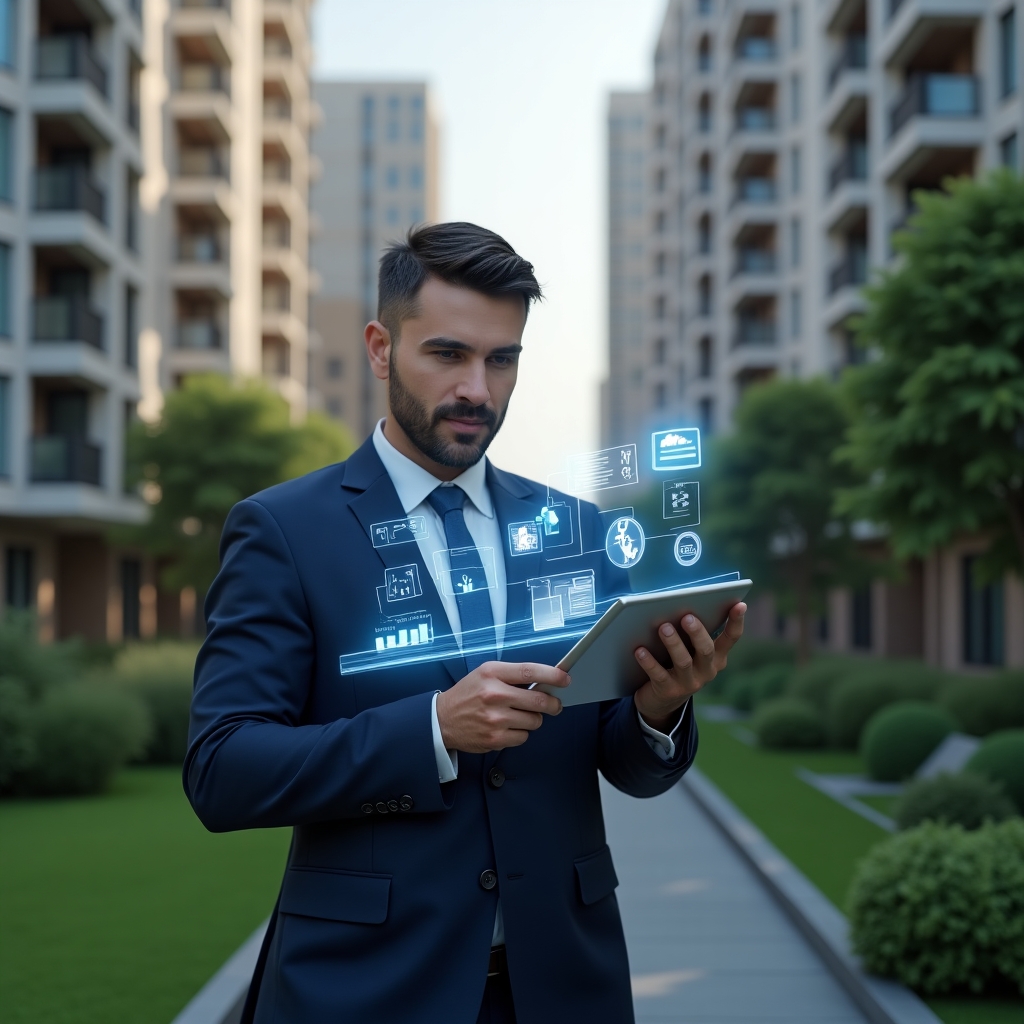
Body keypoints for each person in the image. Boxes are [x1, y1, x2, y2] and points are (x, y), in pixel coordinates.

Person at [184, 222, 746, 1024]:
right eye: (448, 354)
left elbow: (626, 763)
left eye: (502, 358)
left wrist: (660, 708)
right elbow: (222, 769)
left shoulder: (580, 532)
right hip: (363, 991)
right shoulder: (284, 531)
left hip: (561, 987)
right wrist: (434, 731)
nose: (478, 389)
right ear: (381, 348)